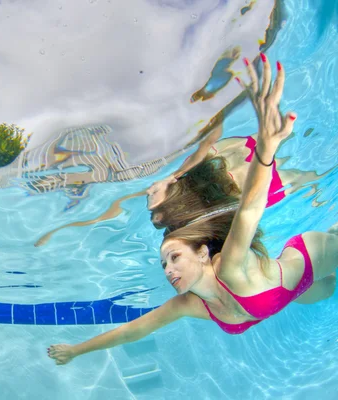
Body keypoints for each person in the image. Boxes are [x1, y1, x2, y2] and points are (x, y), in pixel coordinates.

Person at [47, 55, 337, 365]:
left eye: (174, 258)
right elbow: (132, 331)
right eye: (165, 264)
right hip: (295, 293)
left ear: (202, 253)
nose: (169, 270)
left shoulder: (229, 267)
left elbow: (250, 210)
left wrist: (265, 152)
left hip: (308, 261)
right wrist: (76, 351)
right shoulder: (191, 304)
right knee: (330, 290)